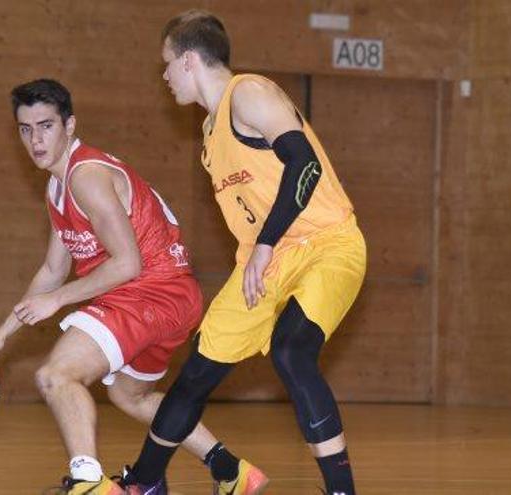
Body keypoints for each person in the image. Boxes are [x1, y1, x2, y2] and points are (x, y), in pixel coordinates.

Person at [0, 79, 241, 495]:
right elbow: (52, 269)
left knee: (56, 375)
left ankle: (90, 484)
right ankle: (232, 471)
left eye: (46, 125)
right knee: (131, 396)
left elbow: (126, 263)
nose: (35, 138)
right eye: (25, 128)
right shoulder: (58, 185)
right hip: (167, 297)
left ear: (70, 125)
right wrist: (2, 332)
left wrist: (59, 300)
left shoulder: (86, 176)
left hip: (149, 291)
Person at [121, 10, 367, 495]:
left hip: (327, 244)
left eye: (167, 65)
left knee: (292, 351)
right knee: (196, 373)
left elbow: (305, 165)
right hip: (264, 261)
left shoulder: (250, 93)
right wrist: (261, 251)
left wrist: (266, 245)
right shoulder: (211, 134)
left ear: (189, 60)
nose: (165, 76)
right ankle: (144, 482)